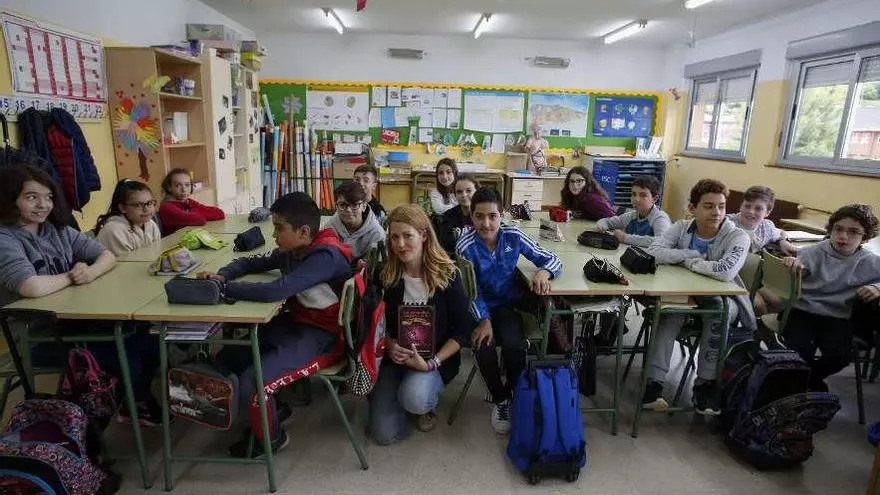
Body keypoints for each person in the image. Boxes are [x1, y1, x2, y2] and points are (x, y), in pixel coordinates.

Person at [0, 163, 163, 426]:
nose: (43, 205)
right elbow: (30, 287)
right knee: (126, 358)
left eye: (48, 197)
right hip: (37, 336)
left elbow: (107, 255)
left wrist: (90, 272)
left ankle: (133, 401)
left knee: (151, 341)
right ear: (9, 198)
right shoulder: (5, 238)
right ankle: (86, 430)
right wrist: (72, 276)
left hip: (75, 321)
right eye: (31, 197)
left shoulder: (57, 230)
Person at [198, 192, 353, 458]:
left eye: (279, 228)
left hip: (325, 337)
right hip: (298, 324)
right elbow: (251, 262)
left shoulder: (325, 255)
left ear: (304, 232)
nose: (274, 235)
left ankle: (272, 439)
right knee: (228, 357)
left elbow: (277, 290)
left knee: (254, 383)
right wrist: (222, 275)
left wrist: (224, 289)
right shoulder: (294, 250)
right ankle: (274, 409)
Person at [644, 178, 756, 416]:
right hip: (681, 291)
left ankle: (705, 384)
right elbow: (653, 252)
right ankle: (653, 384)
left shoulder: (738, 236)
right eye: (709, 206)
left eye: (721, 206)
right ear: (693, 208)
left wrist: (692, 264)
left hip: (722, 298)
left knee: (718, 313)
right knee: (669, 313)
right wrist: (690, 254)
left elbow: (725, 271)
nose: (717, 212)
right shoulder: (682, 227)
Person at [456, 187, 562, 435]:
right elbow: (470, 291)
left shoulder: (513, 235)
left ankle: (516, 391)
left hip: (506, 305)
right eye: (479, 216)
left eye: (492, 216)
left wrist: (544, 272)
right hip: (478, 306)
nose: (486, 223)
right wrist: (483, 320)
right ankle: (500, 398)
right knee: (483, 346)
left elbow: (552, 258)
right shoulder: (465, 245)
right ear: (471, 217)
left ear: (502, 214)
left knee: (515, 345)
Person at [369, 205, 476, 444]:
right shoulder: (386, 275)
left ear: (424, 235)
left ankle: (421, 403)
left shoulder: (448, 275)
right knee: (384, 434)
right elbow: (374, 323)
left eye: (408, 236)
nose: (400, 244)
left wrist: (432, 363)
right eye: (394, 237)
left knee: (415, 399)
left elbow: (463, 331)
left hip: (433, 359)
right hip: (394, 359)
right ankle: (398, 395)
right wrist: (389, 343)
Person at [781, 204, 880, 392]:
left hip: (838, 317)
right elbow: (795, 270)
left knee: (840, 356)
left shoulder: (871, 261)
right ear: (831, 229)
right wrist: (791, 265)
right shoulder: (812, 252)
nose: (843, 236)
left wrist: (877, 286)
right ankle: (804, 388)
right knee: (798, 353)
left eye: (853, 232)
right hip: (802, 311)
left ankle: (810, 381)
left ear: (865, 236)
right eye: (838, 229)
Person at [727, 185, 797, 315]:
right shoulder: (728, 223)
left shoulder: (767, 226)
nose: (751, 212)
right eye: (747, 206)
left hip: (755, 278)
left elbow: (781, 233)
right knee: (758, 305)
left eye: (758, 208)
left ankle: (758, 324)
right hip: (732, 277)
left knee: (778, 302)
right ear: (741, 205)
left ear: (767, 212)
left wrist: (783, 241)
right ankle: (753, 325)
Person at [596, 175, 671, 247]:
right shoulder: (631, 216)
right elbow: (606, 221)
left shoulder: (660, 218)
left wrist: (625, 238)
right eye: (634, 194)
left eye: (643, 195)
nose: (636, 199)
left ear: (654, 199)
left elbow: (663, 242)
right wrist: (602, 226)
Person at [94, 179, 161, 255]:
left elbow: (158, 255)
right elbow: (127, 262)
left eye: (149, 203)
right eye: (138, 205)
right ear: (123, 208)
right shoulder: (114, 230)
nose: (146, 209)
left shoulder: (150, 224)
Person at [327, 181, 385, 260]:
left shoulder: (377, 233)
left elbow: (376, 264)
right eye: (342, 205)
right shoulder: (329, 228)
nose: (348, 210)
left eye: (354, 205)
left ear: (364, 206)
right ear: (336, 206)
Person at [158, 168, 225, 235]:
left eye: (187, 185)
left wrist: (195, 212)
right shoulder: (166, 207)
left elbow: (219, 213)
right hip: (174, 241)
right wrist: (201, 213)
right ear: (169, 187)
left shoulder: (188, 202)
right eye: (178, 185)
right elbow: (199, 219)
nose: (184, 189)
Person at [435, 174, 478, 255]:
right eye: (459, 192)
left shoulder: (485, 215)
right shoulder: (447, 217)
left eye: (468, 191)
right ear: (455, 195)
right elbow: (446, 246)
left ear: (477, 192)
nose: (464, 195)